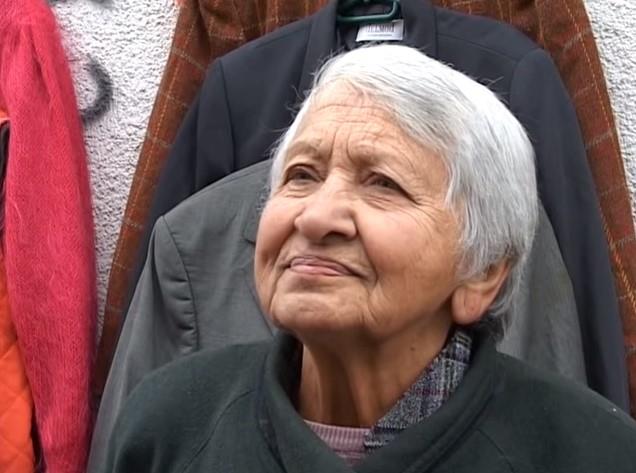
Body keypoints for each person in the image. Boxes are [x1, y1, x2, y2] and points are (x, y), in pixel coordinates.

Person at [101, 44, 636, 472]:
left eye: (383, 183)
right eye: (302, 175)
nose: (315, 217)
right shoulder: (167, 426)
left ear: (482, 271)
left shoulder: (592, 453)